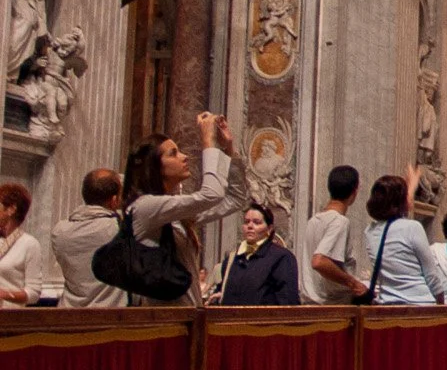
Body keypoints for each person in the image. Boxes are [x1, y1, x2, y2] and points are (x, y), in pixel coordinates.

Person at [125, 112, 239, 304]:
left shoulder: (174, 210)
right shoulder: (145, 207)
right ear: (154, 167)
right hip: (162, 321)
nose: (184, 157)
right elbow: (211, 194)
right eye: (173, 154)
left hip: (189, 315)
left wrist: (227, 149)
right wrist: (207, 141)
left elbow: (235, 199)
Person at [362, 170, 447, 304]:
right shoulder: (412, 228)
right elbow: (431, 274)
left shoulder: (369, 232)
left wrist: (409, 188)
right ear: (400, 202)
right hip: (419, 303)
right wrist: (440, 302)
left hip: (387, 303)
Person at [51, 167, 124, 307]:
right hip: (110, 318)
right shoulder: (120, 230)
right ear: (114, 200)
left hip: (69, 314)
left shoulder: (59, 231)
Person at [301, 163, 369, 303]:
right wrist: (354, 283)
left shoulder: (313, 220)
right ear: (354, 192)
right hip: (331, 306)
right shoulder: (339, 222)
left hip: (309, 302)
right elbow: (319, 261)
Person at [214, 202, 301, 305]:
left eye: (257, 222)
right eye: (246, 222)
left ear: (269, 228)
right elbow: (222, 290)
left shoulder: (282, 257)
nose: (250, 226)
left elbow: (288, 301)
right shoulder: (232, 259)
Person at [0, 180, 44, 303]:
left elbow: (34, 293)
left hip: (10, 317)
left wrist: (4, 294)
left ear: (11, 209)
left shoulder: (29, 244)